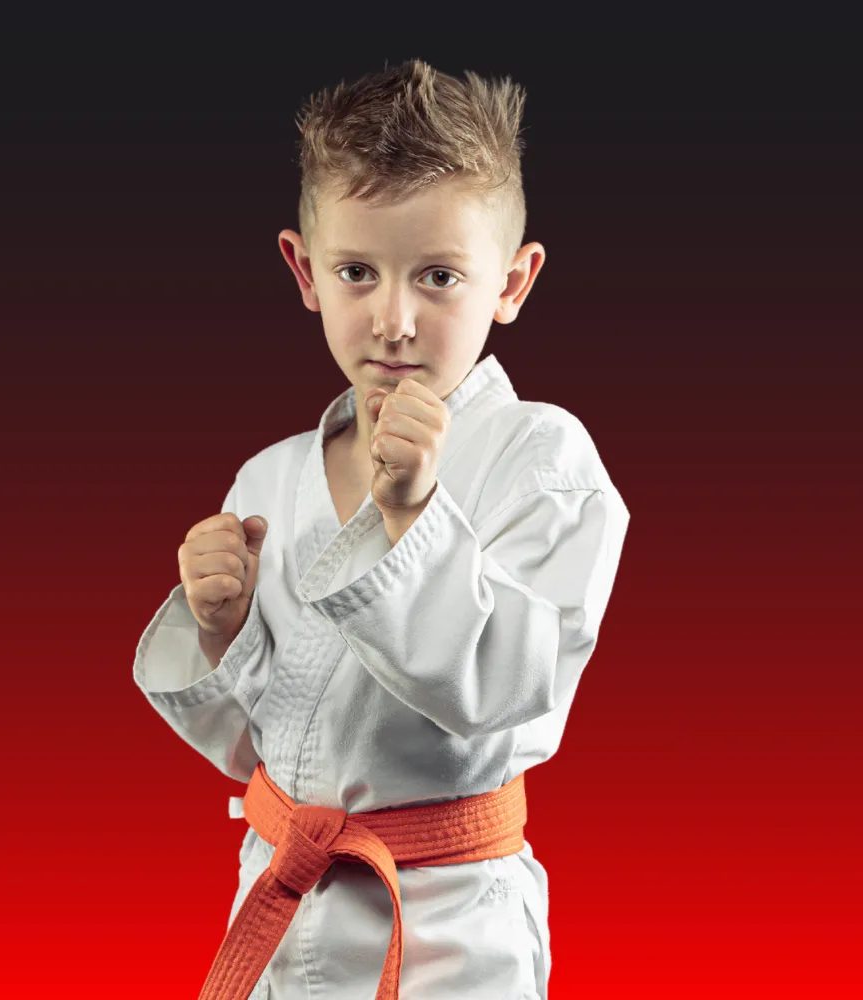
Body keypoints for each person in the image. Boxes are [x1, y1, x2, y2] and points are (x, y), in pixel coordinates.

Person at [133, 57, 631, 1000]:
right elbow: (259, 750)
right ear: (304, 271)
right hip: (282, 904)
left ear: (511, 282)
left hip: (449, 929)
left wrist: (412, 515)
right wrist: (222, 632)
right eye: (357, 272)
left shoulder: (543, 460)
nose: (394, 321)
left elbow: (507, 694)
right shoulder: (271, 476)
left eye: (439, 276)